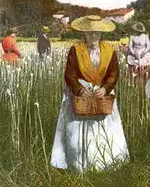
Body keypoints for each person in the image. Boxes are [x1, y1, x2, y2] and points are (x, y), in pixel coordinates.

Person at [50, 15, 129, 172]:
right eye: (90, 32)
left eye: (97, 33)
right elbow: (70, 75)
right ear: (84, 33)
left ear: (101, 33)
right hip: (81, 95)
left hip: (102, 95)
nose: (93, 36)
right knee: (77, 129)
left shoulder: (109, 51)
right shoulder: (76, 50)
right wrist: (80, 89)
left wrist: (105, 88)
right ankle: (80, 163)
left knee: (105, 128)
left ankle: (105, 162)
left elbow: (114, 74)